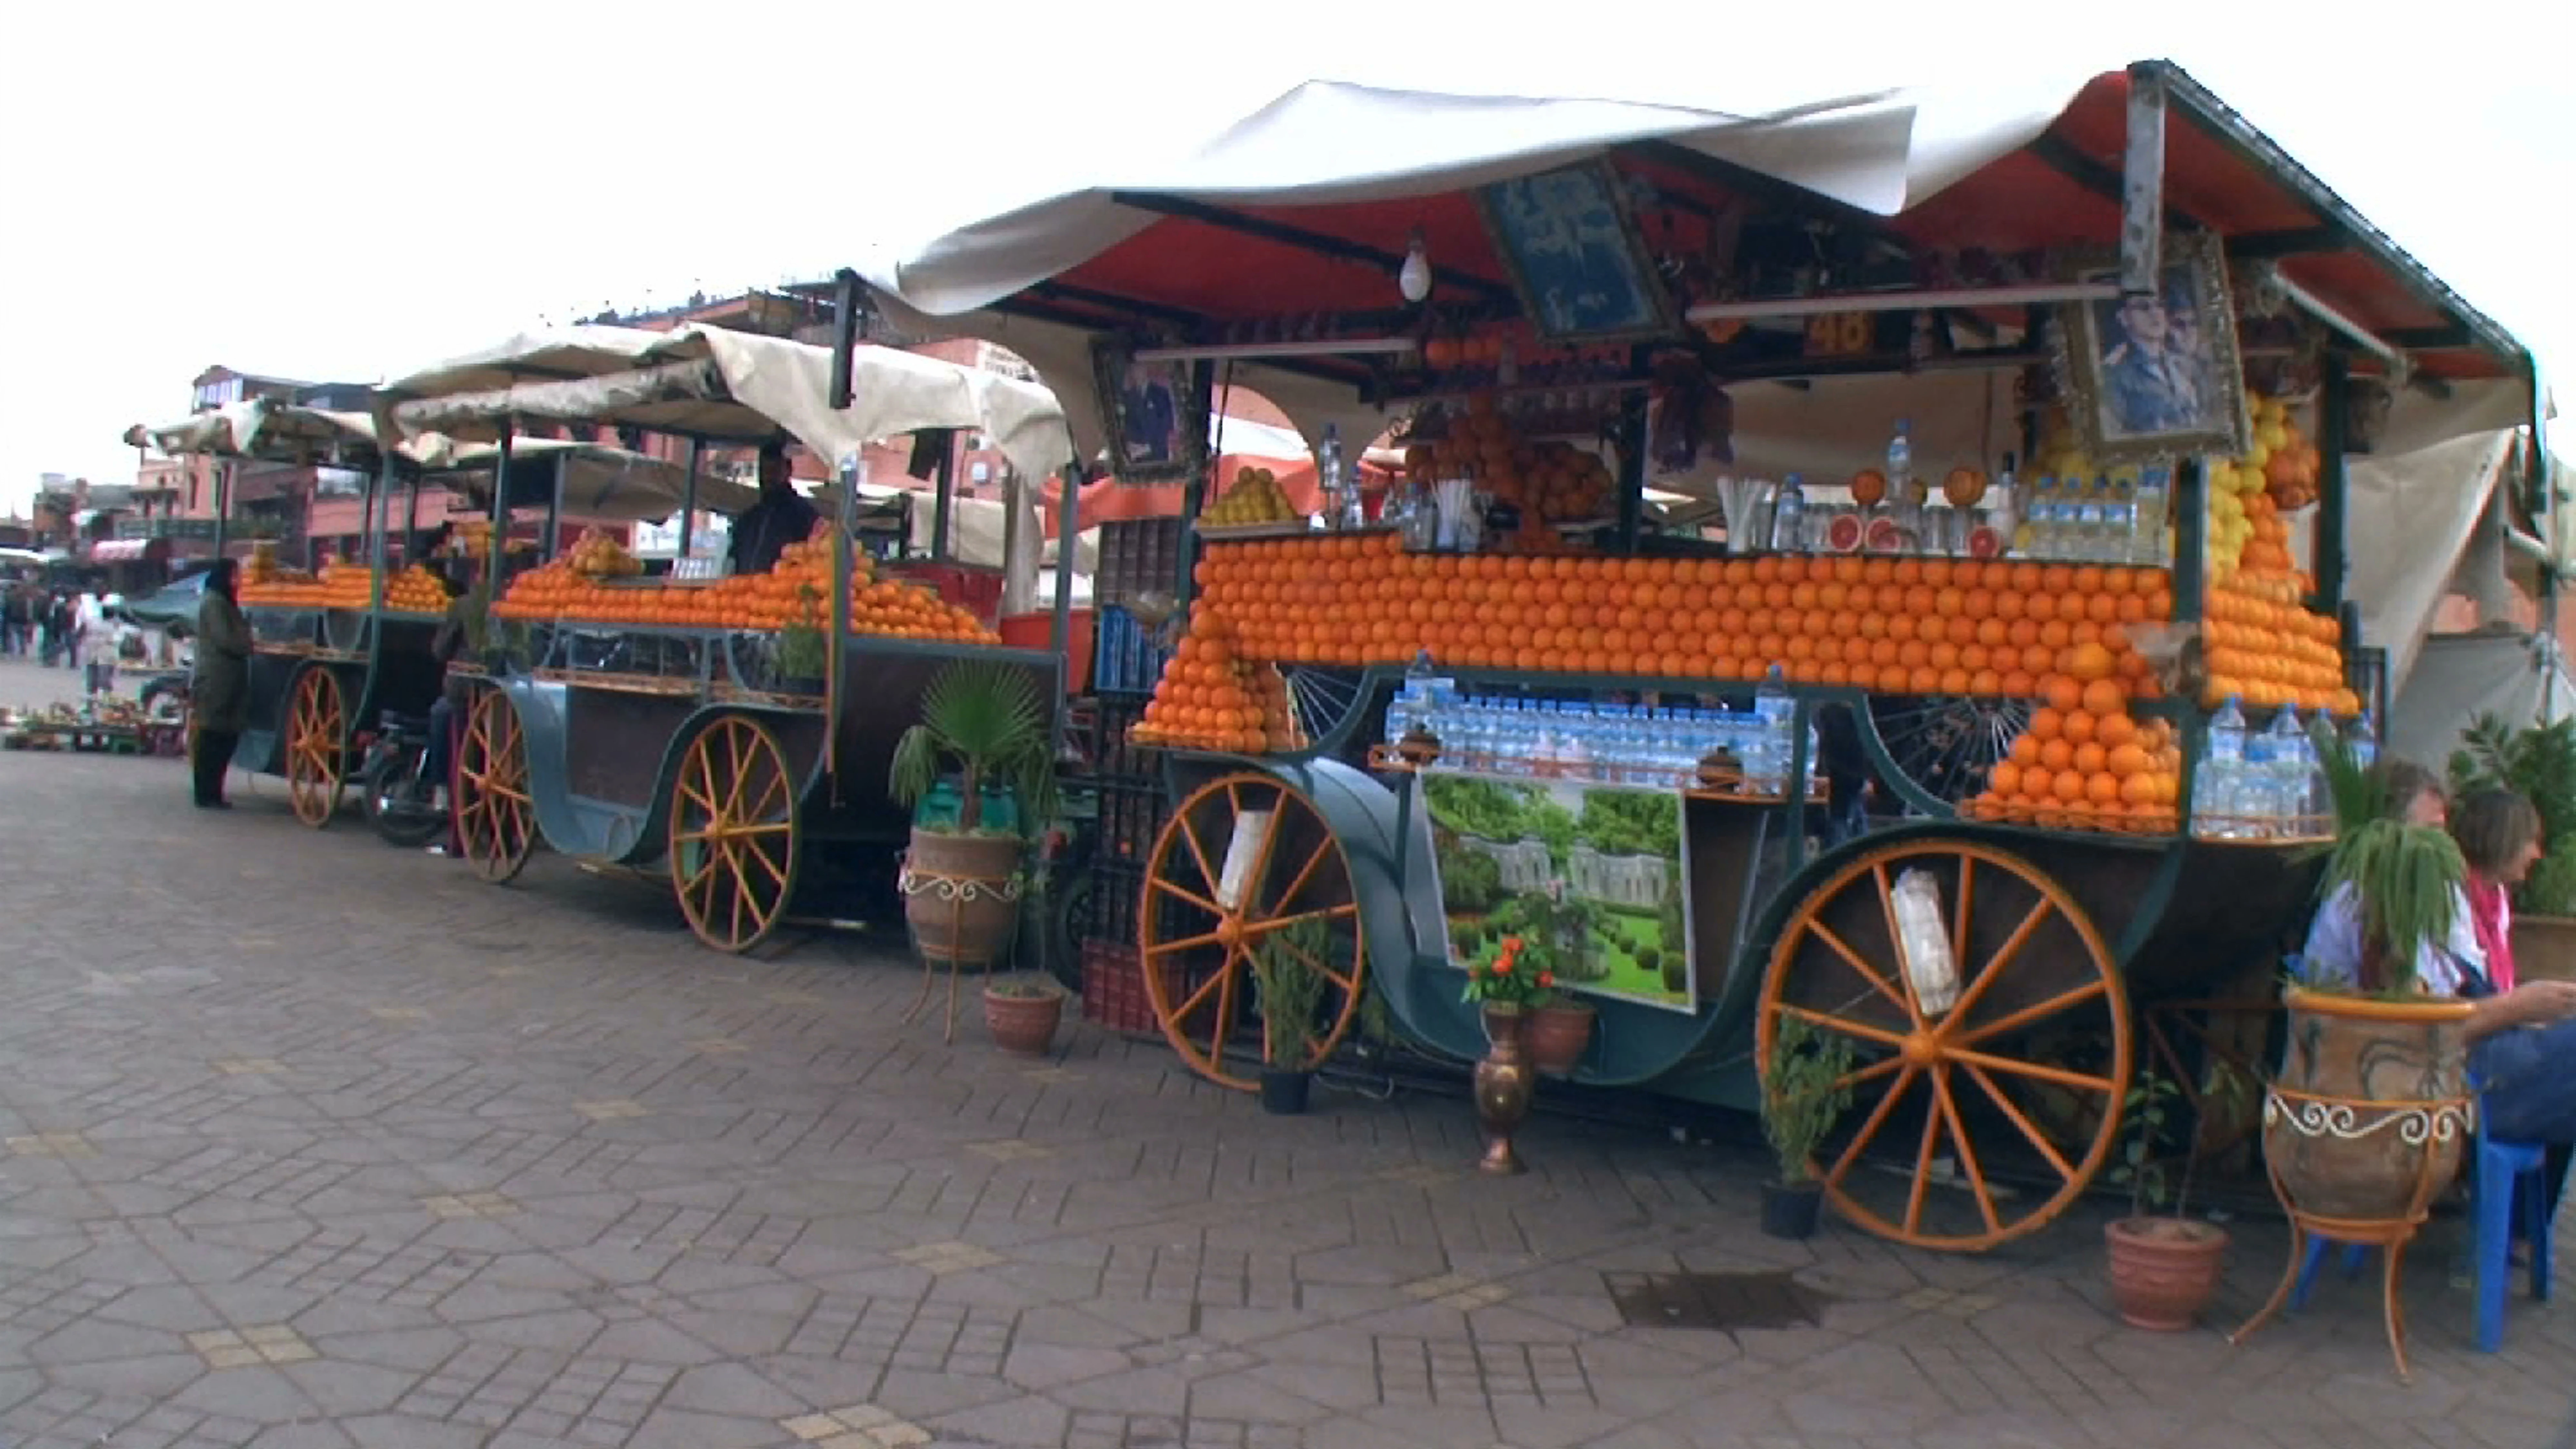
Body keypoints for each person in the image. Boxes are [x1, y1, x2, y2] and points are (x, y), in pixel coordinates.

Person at [2300, 767, 2576, 1149]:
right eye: (2430, 833)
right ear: (2387, 833)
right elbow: (2416, 1034)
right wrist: (2520, 1006)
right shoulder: (2371, 907)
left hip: (2456, 1064)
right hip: (2411, 1083)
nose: (2446, 847)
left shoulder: (2427, 897)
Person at [2450, 787, 2575, 1227]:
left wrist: (2535, 1011)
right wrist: (2522, 1006)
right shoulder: (2450, 901)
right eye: (2530, 840)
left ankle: (2523, 1225)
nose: (2538, 853)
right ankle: (2519, 1225)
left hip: (2498, 1046)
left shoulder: (2496, 901)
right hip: (2468, 1071)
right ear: (2502, 840)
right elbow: (2443, 1027)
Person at [190, 559, 254, 810]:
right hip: (217, 679)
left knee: (225, 736)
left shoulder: (223, 602)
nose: (239, 580)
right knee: (212, 736)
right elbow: (225, 639)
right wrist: (249, 644)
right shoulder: (214, 603)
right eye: (236, 575)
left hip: (229, 678)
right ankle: (206, 792)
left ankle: (213, 791)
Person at [2098, 291, 2195, 437]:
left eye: (2159, 306)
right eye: (2143, 307)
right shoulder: (2117, 373)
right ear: (2124, 318)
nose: (2155, 313)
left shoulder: (2185, 365)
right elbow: (2114, 432)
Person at [725, 443, 819, 577]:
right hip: (744, 593)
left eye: (774, 471)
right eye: (764, 471)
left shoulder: (803, 516)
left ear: (789, 471)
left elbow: (812, 560)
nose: (768, 477)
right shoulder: (749, 519)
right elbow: (733, 560)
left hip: (784, 592)